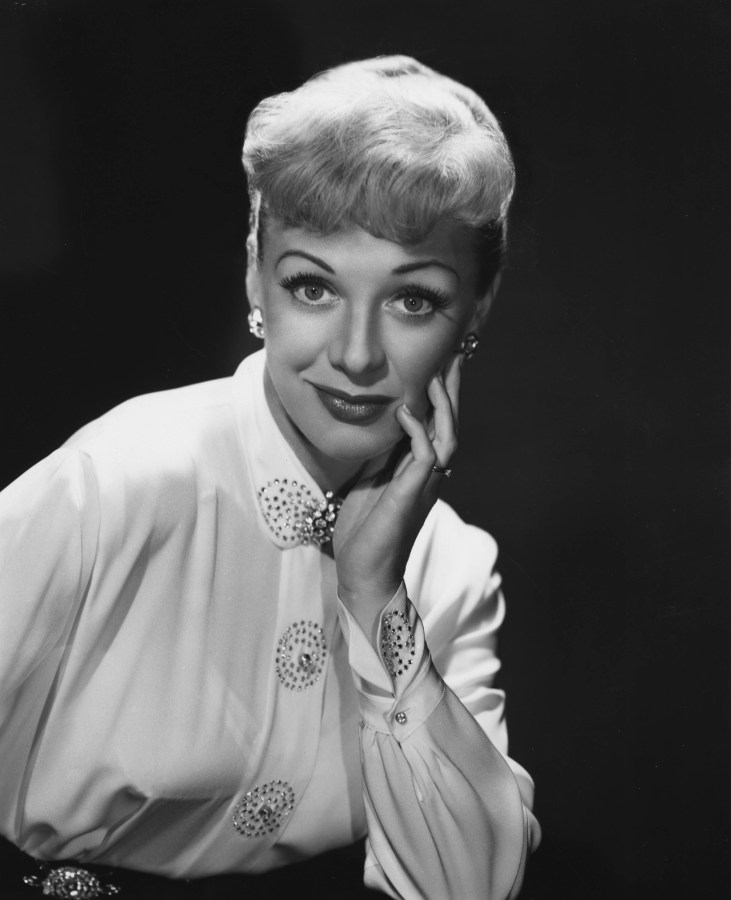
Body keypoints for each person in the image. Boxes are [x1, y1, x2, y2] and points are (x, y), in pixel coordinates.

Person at [0, 55, 540, 899]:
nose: (355, 355)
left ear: (477, 306)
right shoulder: (118, 482)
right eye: (313, 287)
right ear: (256, 272)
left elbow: (467, 890)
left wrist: (373, 596)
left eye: (413, 300)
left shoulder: (450, 565)